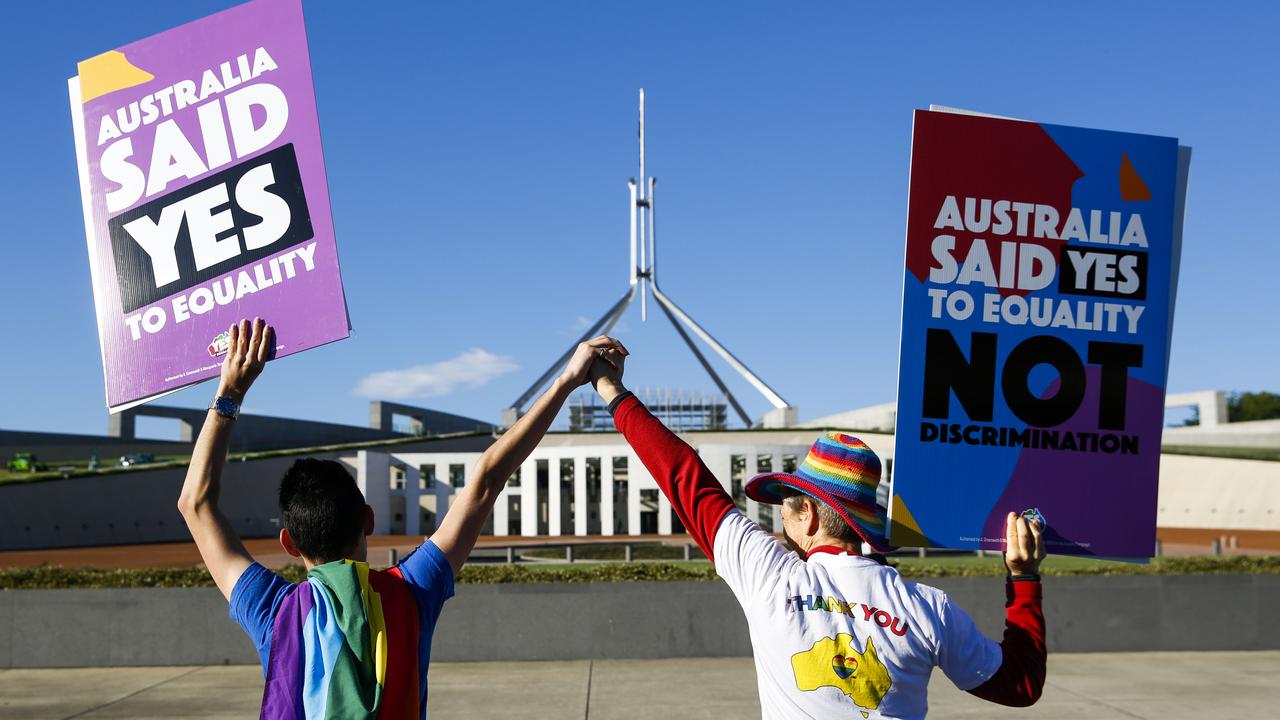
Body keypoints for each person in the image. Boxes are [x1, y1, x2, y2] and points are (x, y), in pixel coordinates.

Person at [177, 318, 626, 719]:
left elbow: (195, 505)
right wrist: (567, 380)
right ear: (368, 521)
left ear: (290, 543)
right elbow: (486, 479)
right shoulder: (411, 592)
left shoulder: (273, 612)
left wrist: (229, 392)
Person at [587, 347, 1046, 720]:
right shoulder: (929, 608)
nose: (777, 522)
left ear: (806, 514)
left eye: (784, 509)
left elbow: (684, 476)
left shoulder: (769, 576)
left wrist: (611, 389)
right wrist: (1023, 578)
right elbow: (1021, 686)